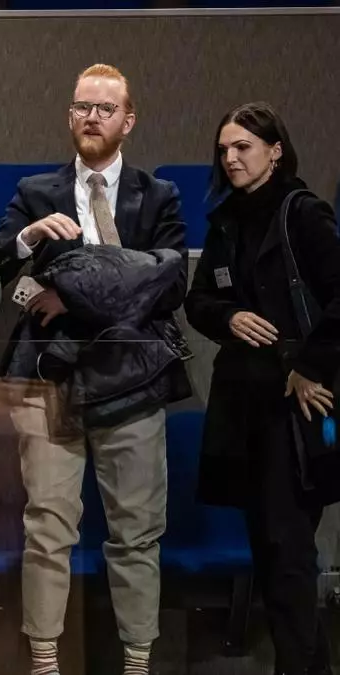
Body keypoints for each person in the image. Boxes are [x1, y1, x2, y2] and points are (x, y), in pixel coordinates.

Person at [0, 64, 189, 675]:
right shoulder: (34, 192)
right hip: (47, 382)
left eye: (105, 109)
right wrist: (27, 242)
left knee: (136, 534)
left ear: (127, 121)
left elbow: (171, 281)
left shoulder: (158, 196)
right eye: (82, 106)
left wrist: (73, 291)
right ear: (69, 115)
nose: (91, 118)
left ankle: (137, 662)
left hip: (132, 382)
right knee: (47, 530)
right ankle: (45, 662)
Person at [185, 102, 340, 675]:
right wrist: (228, 319)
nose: (229, 158)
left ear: (275, 151)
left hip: (296, 408)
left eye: (242, 147)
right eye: (223, 149)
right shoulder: (226, 219)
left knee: (289, 555)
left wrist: (311, 368)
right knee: (272, 555)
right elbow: (197, 301)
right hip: (244, 410)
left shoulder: (304, 213)